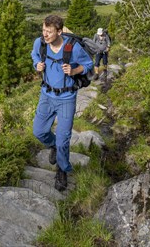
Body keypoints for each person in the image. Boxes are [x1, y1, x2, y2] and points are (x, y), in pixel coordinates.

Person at [31, 15, 93, 192]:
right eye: (43, 30)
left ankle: (62, 169)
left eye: (49, 32)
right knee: (39, 131)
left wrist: (74, 70)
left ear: (59, 31)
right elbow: (34, 55)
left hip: (66, 98)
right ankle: (53, 146)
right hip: (46, 95)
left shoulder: (72, 47)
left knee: (64, 138)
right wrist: (37, 64)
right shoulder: (40, 43)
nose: (45, 35)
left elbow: (88, 65)